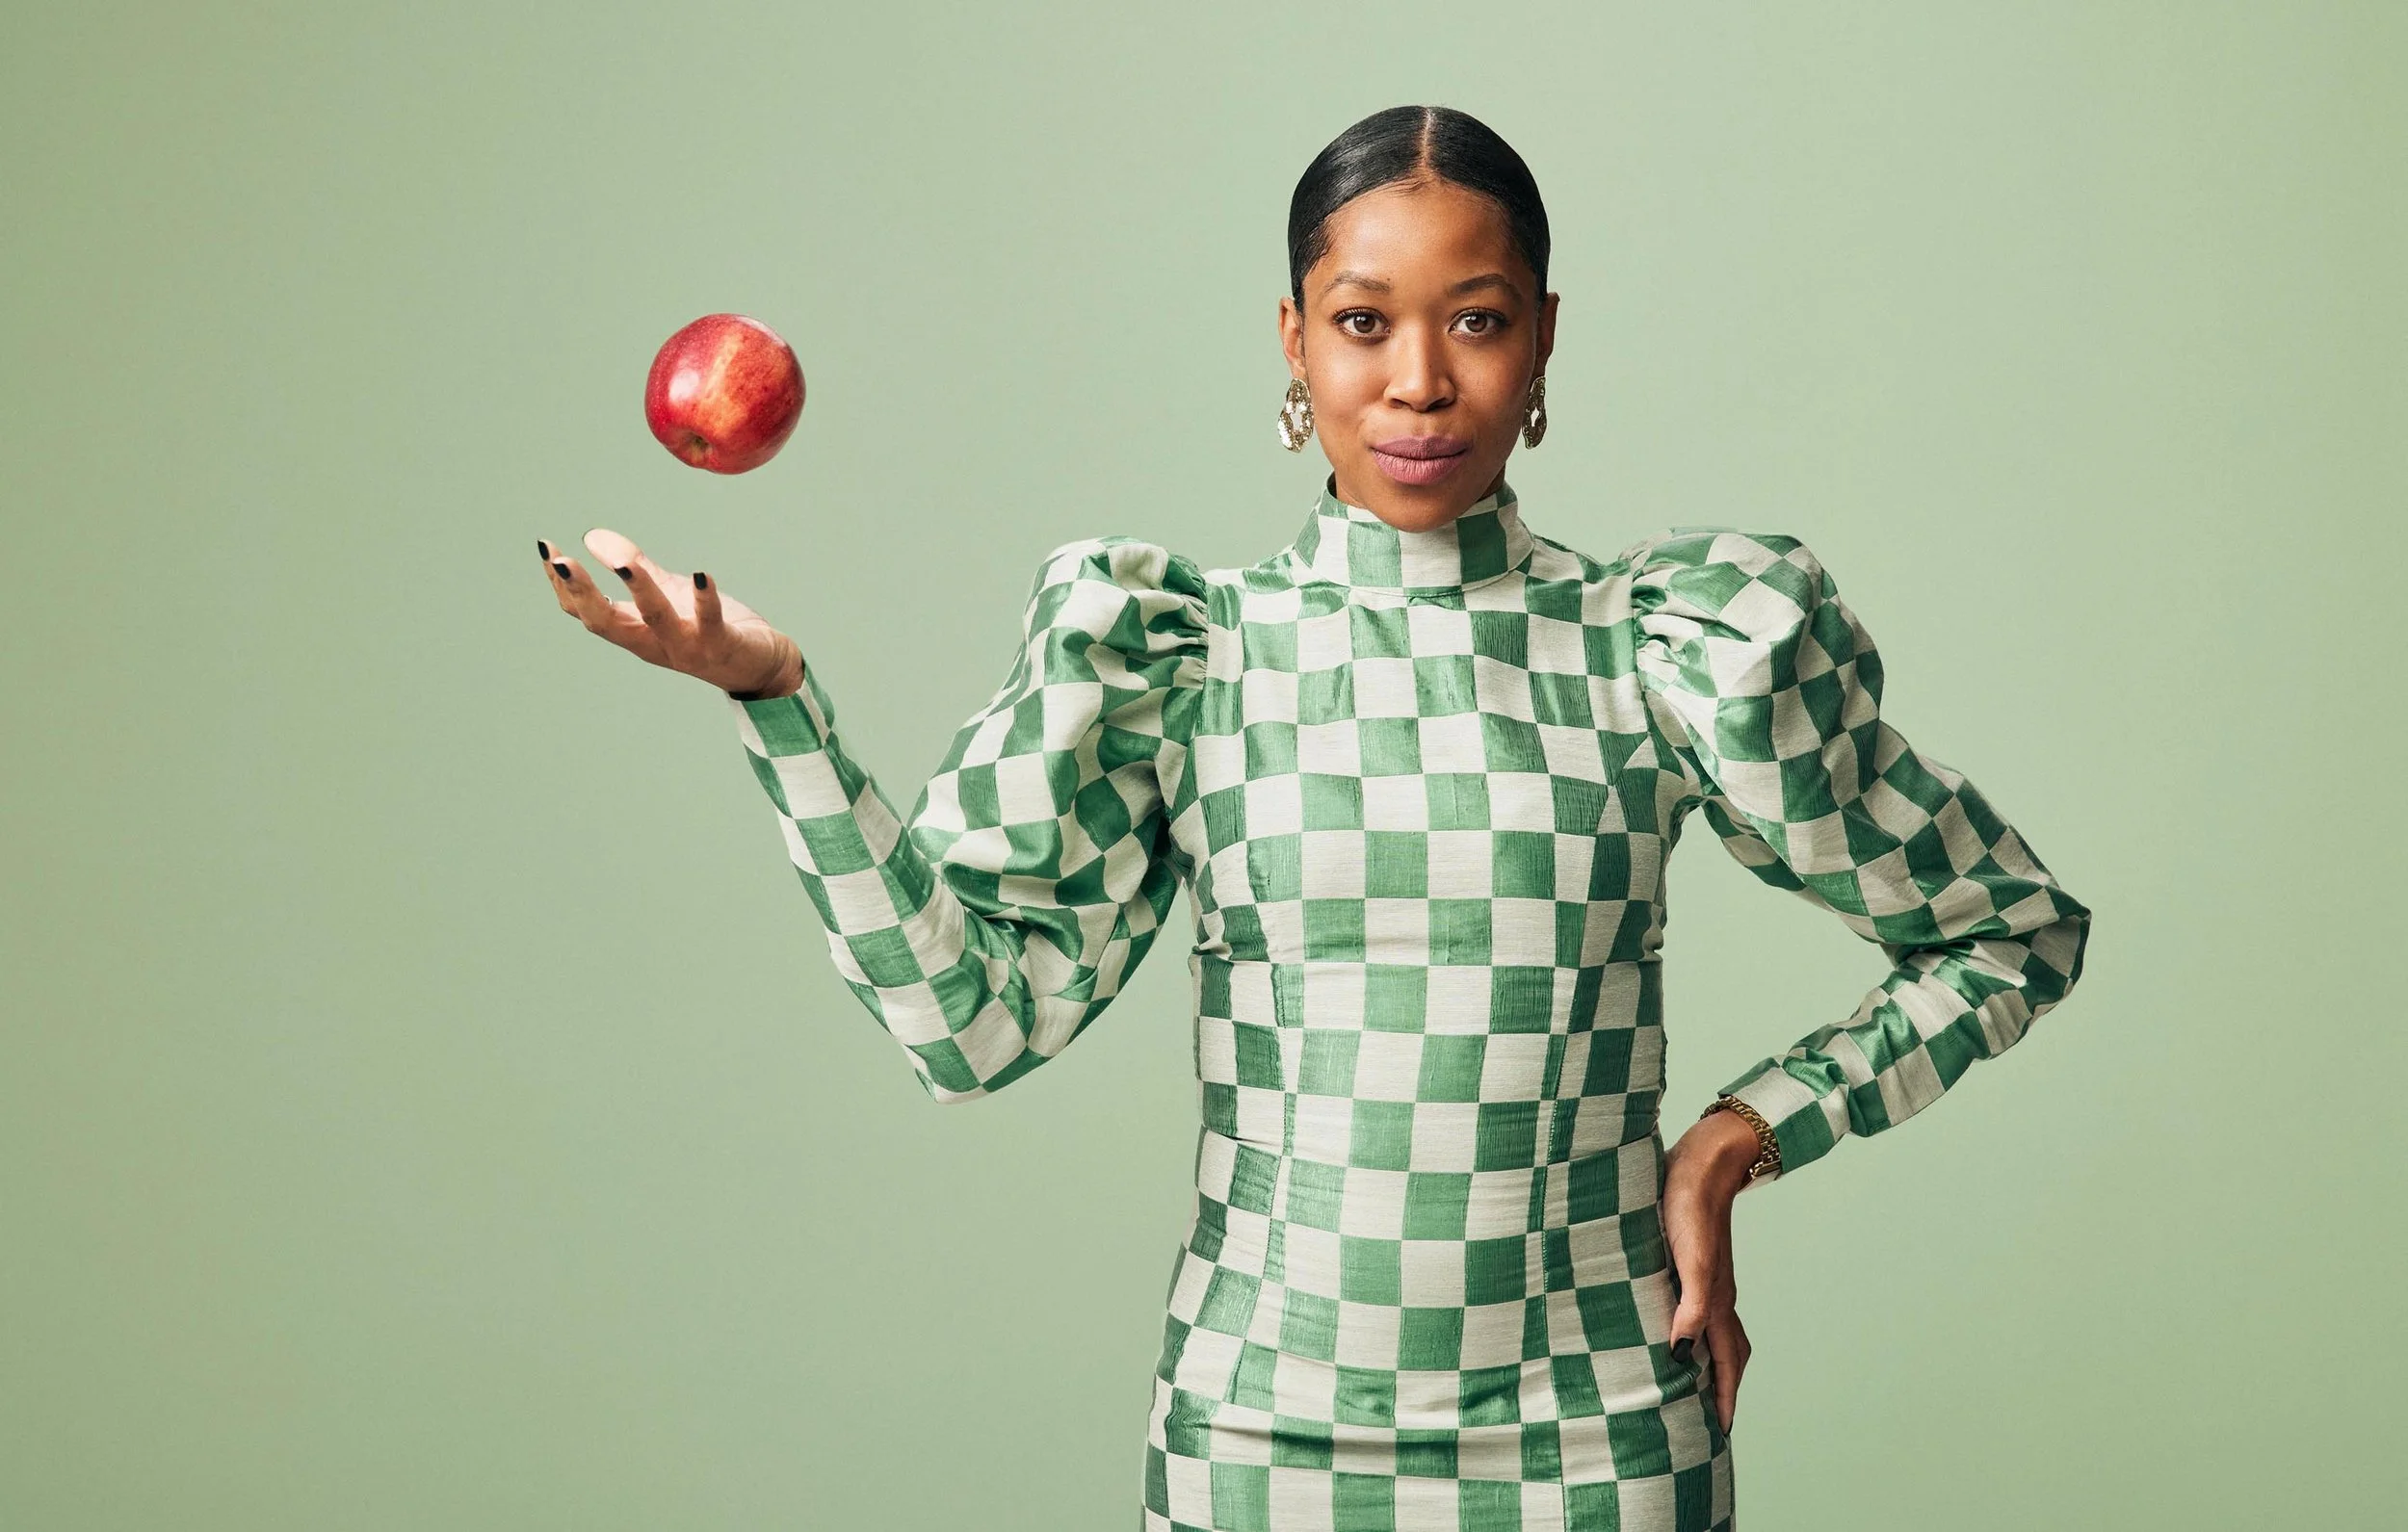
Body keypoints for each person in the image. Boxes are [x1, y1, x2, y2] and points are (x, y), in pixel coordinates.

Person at [537, 104, 2092, 1532]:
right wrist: (779, 701)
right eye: (1362, 323)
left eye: (1476, 320)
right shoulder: (1181, 654)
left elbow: (2012, 936)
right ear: (1293, 339)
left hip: (1605, 1440)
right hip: (1254, 1444)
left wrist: (1742, 1138)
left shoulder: (1658, 645)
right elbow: (968, 1024)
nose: (1419, 381)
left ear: (1544, 339)